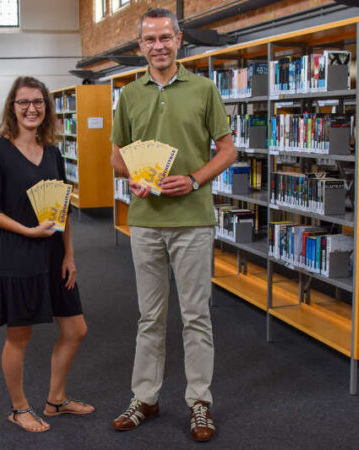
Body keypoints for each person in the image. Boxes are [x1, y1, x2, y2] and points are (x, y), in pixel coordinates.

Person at [110, 8, 236, 443]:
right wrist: (134, 177)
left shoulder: (204, 89)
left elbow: (227, 150)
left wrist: (197, 177)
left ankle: (200, 401)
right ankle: (145, 397)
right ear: (140, 46)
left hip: (193, 220)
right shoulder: (129, 95)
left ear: (179, 41)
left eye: (166, 37)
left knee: (197, 315)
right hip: (145, 222)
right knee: (150, 316)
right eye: (150, 40)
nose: (158, 46)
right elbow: (116, 156)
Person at [0, 76, 94, 433]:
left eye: (38, 102)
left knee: (76, 329)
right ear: (13, 107)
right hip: (17, 252)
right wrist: (28, 230)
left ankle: (56, 399)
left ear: (47, 107)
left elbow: (62, 208)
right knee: (19, 337)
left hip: (54, 253)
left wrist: (69, 255)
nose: (31, 109)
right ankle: (19, 407)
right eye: (23, 102)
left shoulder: (53, 152)